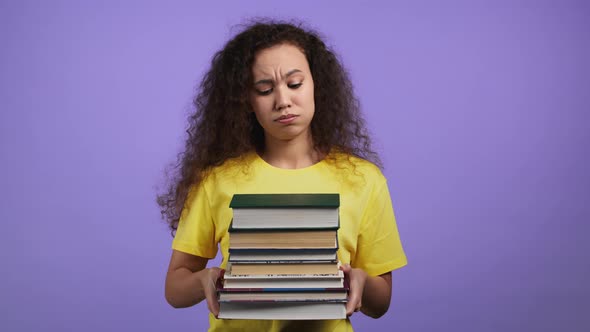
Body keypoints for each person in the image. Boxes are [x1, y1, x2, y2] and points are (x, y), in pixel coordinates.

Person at [158, 20, 407, 332]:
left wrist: (360, 281)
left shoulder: (364, 180)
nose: (283, 101)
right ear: (246, 101)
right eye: (264, 89)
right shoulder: (216, 181)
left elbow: (381, 303)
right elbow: (174, 289)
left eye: (295, 84)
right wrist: (204, 280)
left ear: (317, 84)